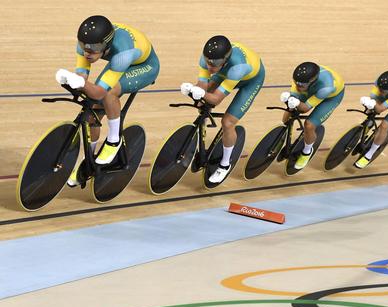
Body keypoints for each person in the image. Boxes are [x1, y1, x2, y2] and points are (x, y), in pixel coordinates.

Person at [55, 15, 160, 186]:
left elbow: (99, 92)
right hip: (120, 58)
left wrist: (82, 84)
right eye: (84, 47)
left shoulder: (122, 55)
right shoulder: (87, 43)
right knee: (91, 114)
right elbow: (82, 75)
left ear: (106, 46)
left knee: (108, 94)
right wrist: (73, 80)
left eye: (93, 48)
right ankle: (87, 160)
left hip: (144, 66)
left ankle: (114, 140)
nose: (87, 52)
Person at [180, 35, 265, 183]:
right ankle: (202, 136)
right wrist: (192, 91)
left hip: (251, 79)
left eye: (215, 63)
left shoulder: (237, 68)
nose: (210, 67)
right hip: (226, 72)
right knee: (202, 103)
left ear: (225, 60)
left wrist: (203, 94)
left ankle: (225, 165)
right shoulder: (207, 60)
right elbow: (202, 87)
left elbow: (216, 99)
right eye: (208, 62)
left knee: (228, 122)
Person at [280, 62, 345, 170]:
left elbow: (305, 108)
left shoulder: (326, 87)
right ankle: (281, 134)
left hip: (331, 97)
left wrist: (296, 102)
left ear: (312, 81)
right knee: (290, 109)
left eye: (301, 85)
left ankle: (307, 152)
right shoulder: (300, 78)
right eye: (296, 83)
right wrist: (290, 99)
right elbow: (296, 93)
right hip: (313, 88)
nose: (298, 86)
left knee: (309, 125)